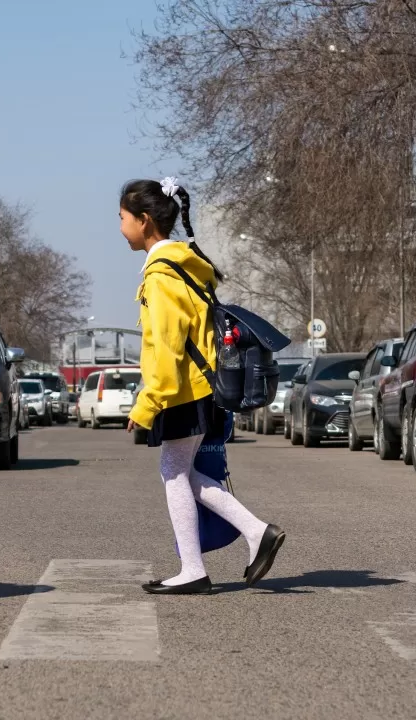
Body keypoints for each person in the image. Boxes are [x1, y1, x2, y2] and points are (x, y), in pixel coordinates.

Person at [122, 177, 285, 595]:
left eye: (122, 218)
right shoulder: (184, 264)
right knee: (180, 471)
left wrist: (146, 405)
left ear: (144, 221)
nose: (120, 227)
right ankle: (252, 533)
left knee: (174, 473)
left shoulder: (161, 275)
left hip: (181, 391)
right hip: (201, 388)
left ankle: (199, 565)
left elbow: (165, 346)